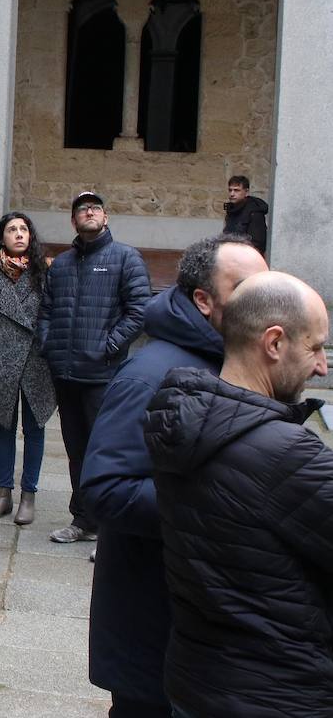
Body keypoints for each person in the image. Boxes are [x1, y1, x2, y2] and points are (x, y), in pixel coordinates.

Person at [80, 235, 267, 718]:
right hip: (154, 631)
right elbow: (105, 490)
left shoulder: (232, 362)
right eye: (246, 287)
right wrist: (218, 506)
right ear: (204, 300)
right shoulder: (151, 373)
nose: (262, 299)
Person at [144, 272, 330, 718]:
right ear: (273, 343)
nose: (323, 365)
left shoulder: (184, 421)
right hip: (280, 696)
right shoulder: (286, 455)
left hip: (199, 682)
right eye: (315, 347)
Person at [38, 191, 151, 544]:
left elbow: (139, 310)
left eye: (95, 208)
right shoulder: (63, 265)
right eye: (82, 209)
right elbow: (46, 310)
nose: (89, 212)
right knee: (76, 452)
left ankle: (111, 525)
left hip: (102, 375)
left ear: (106, 218)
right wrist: (49, 345)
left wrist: (110, 346)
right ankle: (83, 519)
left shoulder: (125, 258)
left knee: (107, 451)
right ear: (73, 221)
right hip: (66, 374)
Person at [0, 213, 56, 525]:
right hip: (1, 361)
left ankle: (28, 495)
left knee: (35, 429)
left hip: (36, 362)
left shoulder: (45, 273)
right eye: (11, 230)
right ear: (2, 238)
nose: (19, 234)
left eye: (24, 229)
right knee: (3, 427)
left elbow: (55, 315)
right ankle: (3, 493)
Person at [221, 174, 268, 255]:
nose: (232, 194)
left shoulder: (254, 212)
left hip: (247, 259)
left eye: (236, 190)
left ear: (246, 192)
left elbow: (257, 244)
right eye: (230, 190)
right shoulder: (231, 210)